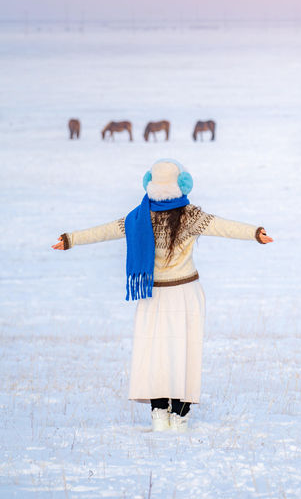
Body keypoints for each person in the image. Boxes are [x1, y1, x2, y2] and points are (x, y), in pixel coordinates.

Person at [52, 158, 273, 432]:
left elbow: (106, 230)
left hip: (152, 296)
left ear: (149, 183)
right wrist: (255, 233)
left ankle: (159, 414)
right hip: (186, 294)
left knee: (153, 355)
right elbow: (223, 226)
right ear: (183, 184)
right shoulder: (191, 216)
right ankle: (180, 416)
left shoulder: (138, 218)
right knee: (185, 352)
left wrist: (71, 239)